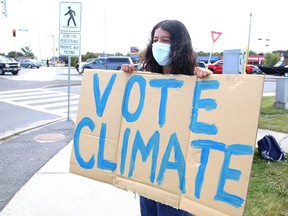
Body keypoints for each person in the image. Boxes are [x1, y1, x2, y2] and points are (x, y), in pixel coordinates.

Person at [121, 20, 211, 216]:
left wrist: (207, 79)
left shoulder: (195, 78)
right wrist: (127, 76)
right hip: (150, 172)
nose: (158, 45)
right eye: (155, 40)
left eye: (166, 40)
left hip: (177, 174)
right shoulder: (145, 79)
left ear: (179, 43)